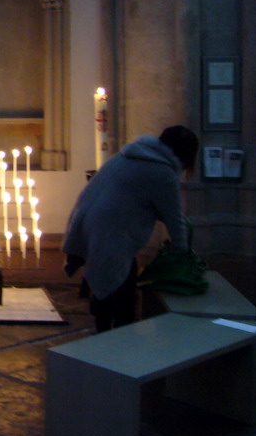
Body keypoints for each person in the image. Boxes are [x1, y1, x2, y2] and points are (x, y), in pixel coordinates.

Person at [62, 125, 199, 332]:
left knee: (113, 281)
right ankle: (115, 342)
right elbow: (174, 218)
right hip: (112, 232)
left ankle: (105, 333)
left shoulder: (128, 155)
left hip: (87, 222)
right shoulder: (163, 172)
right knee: (119, 291)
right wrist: (181, 250)